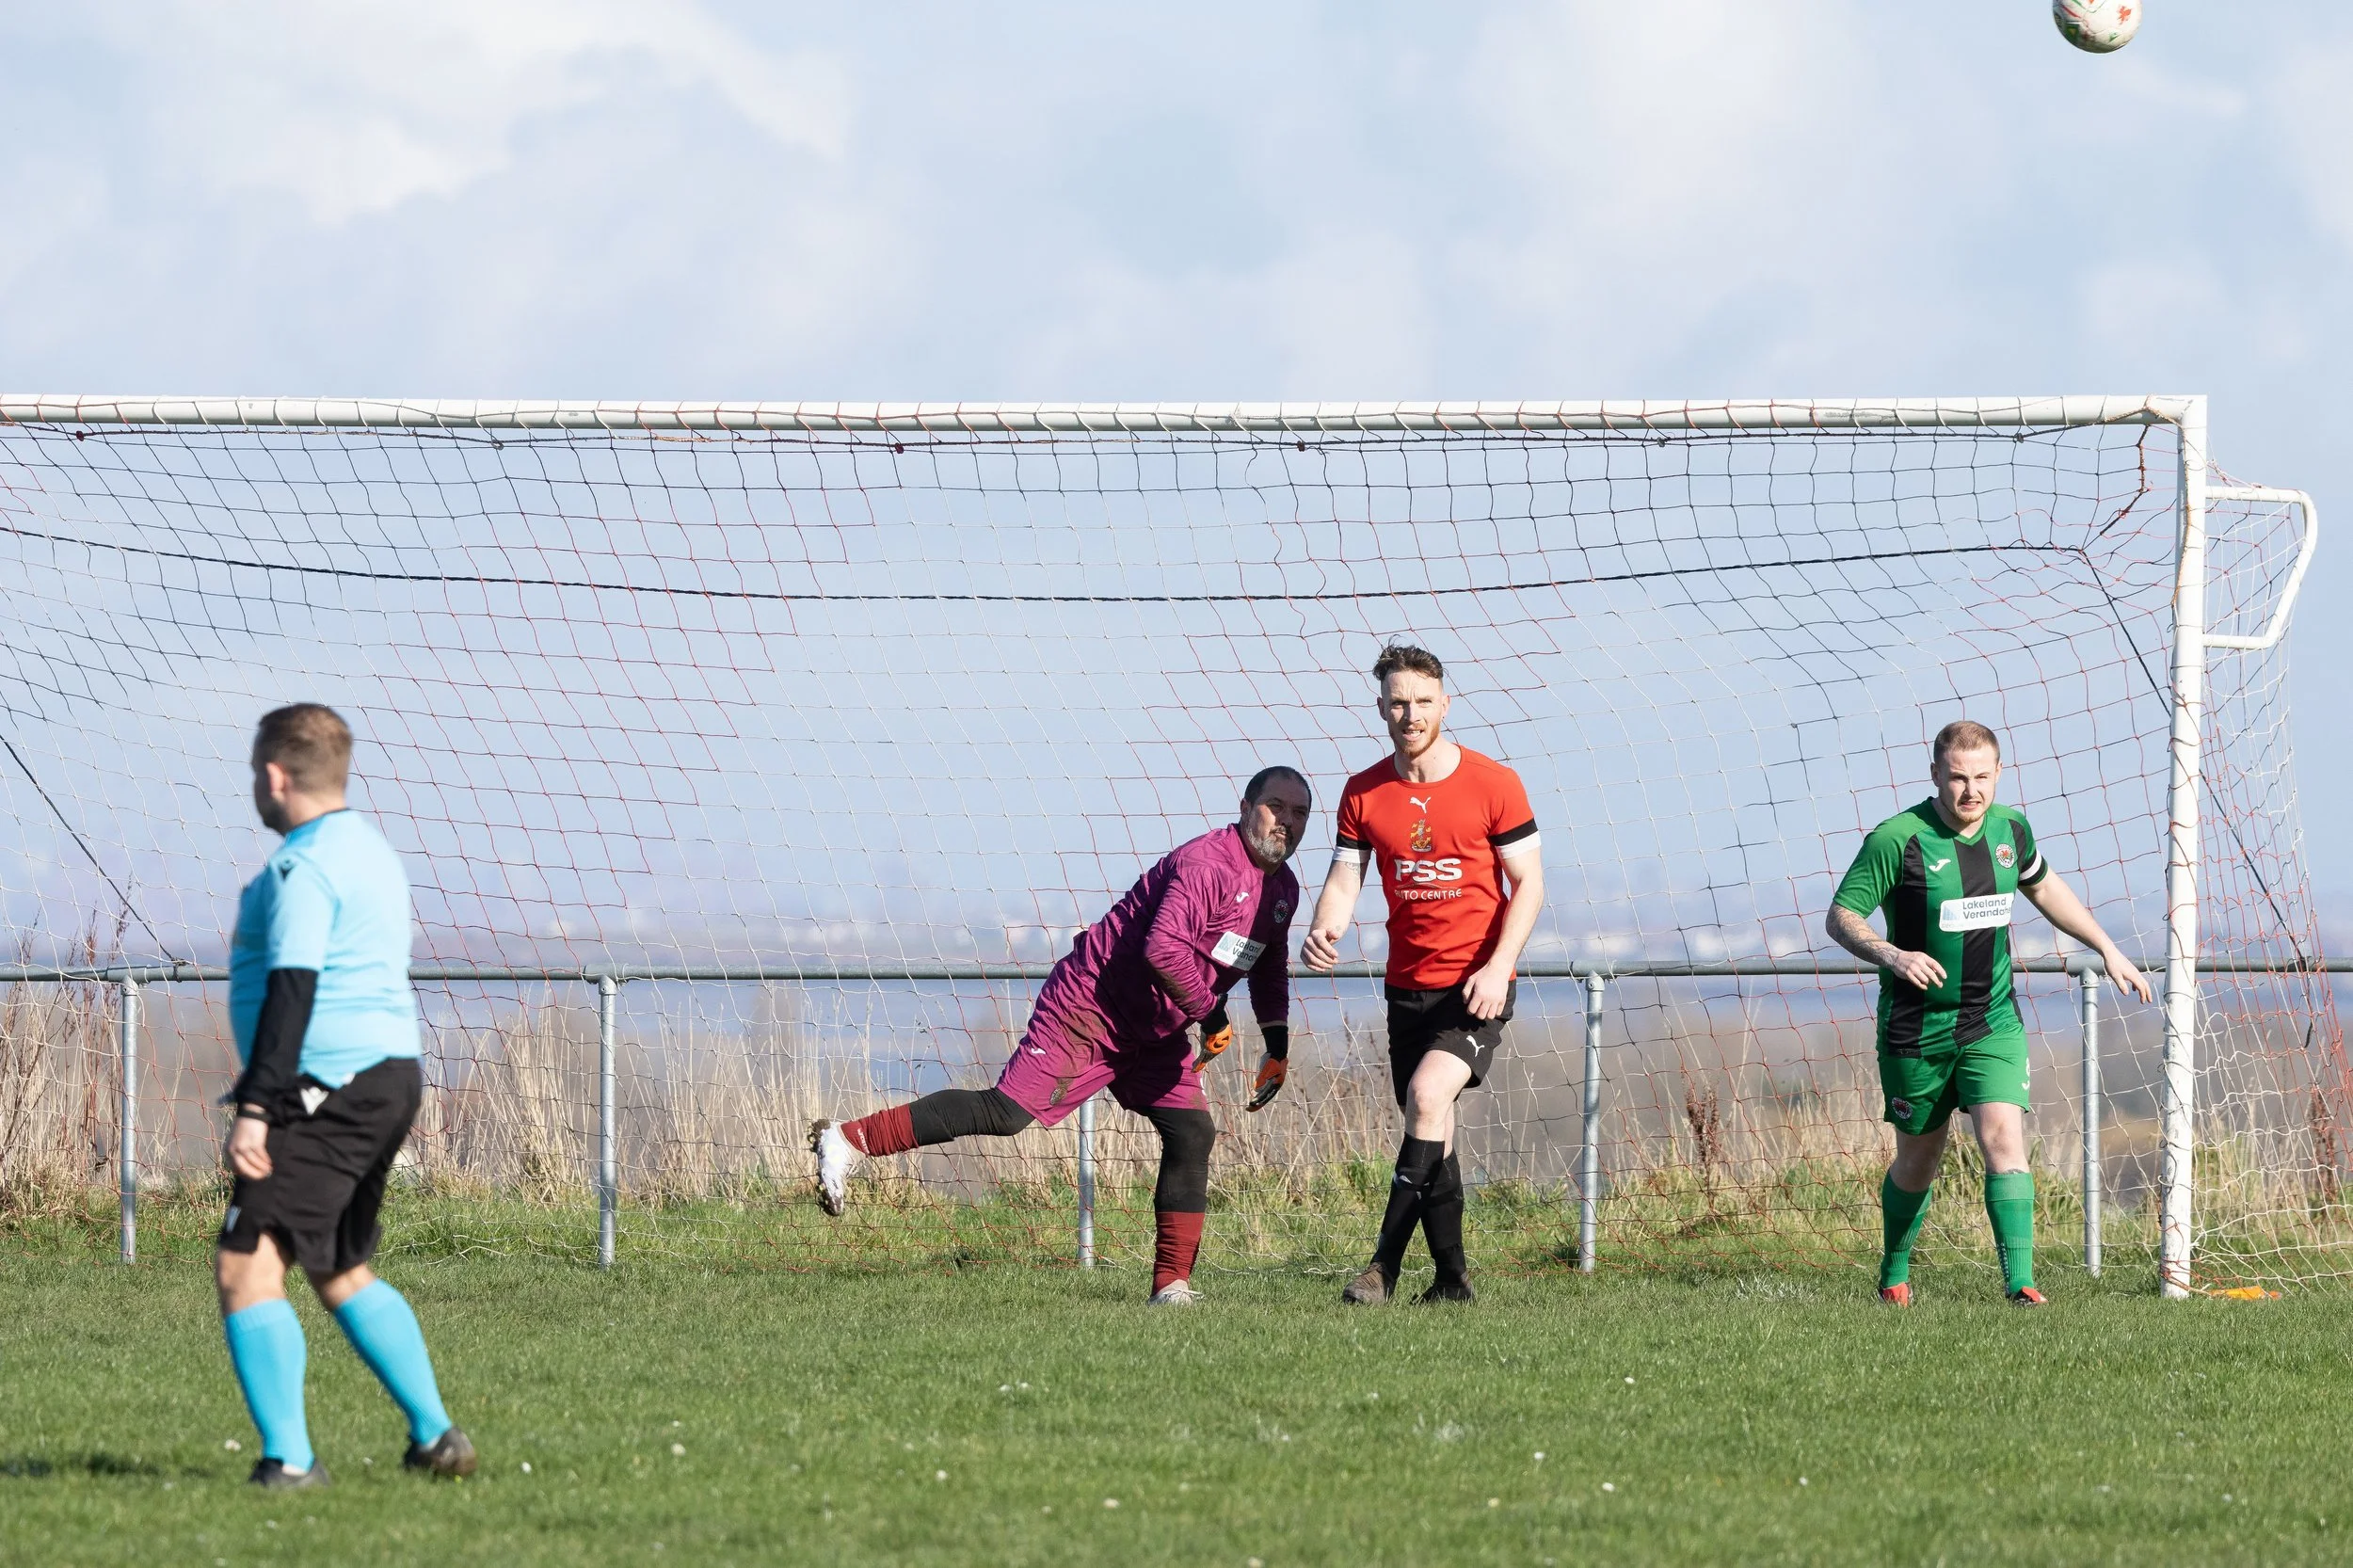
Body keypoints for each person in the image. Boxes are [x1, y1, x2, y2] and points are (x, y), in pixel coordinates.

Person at [811, 767, 1312, 1304]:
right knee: (1006, 1115)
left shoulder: (1282, 891)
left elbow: (1267, 965)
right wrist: (1212, 1015)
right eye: (1275, 806)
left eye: (1299, 813)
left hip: (1153, 1027)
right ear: (1244, 806)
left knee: (1192, 1133)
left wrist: (1277, 1042)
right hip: (1090, 1006)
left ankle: (1171, 1287)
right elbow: (1162, 951)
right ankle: (848, 1140)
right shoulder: (1204, 865)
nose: (1285, 821)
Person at [216, 704, 474, 1487]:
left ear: (273, 776)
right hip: (387, 1076)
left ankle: (289, 1463)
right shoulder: (370, 849)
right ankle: (435, 1437)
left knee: (246, 1265)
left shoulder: (304, 865)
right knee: (338, 1266)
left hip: (324, 1088)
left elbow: (296, 986)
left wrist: (258, 1108)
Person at [1826, 719, 2152, 1306]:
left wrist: (2105, 946)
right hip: (1915, 1027)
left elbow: (2046, 889)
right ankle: (1893, 1272)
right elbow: (1842, 916)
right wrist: (1892, 953)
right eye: (1957, 778)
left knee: (2003, 1137)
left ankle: (2019, 1283)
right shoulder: (1896, 839)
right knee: (1918, 1161)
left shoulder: (2011, 830)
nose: (1970, 791)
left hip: (1991, 1020)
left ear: (1999, 774)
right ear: (1935, 776)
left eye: (1981, 777)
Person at [1302, 646, 1543, 1305]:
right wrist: (1327, 926)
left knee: (1430, 1097)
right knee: (1429, 1126)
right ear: (1381, 708)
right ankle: (1453, 1281)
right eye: (1399, 703)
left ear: (1446, 703)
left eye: (1423, 702)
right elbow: (1346, 876)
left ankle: (1381, 1267)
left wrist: (1499, 967)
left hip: (1476, 986)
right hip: (1406, 988)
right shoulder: (1364, 791)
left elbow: (1529, 884)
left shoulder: (1495, 783)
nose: (1411, 714)